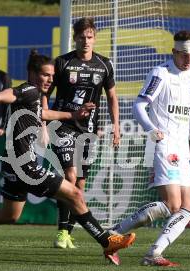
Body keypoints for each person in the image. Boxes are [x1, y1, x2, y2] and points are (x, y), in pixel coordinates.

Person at [0, 50, 135, 262]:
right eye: (45, 75)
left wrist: (73, 115)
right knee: (75, 194)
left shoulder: (33, 96)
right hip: (25, 166)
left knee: (9, 215)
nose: (50, 80)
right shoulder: (28, 89)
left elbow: (43, 113)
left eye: (52, 76)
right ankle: (107, 241)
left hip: (13, 164)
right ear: (32, 73)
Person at [108, 30, 190, 266]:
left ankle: (154, 253)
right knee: (172, 205)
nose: (188, 60)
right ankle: (114, 233)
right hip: (163, 145)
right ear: (174, 52)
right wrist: (151, 129)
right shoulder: (161, 73)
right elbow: (139, 105)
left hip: (182, 149)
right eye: (183, 55)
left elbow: (189, 114)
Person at [43, 17, 120, 250]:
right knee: (71, 177)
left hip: (88, 131)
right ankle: (61, 233)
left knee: (80, 186)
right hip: (63, 126)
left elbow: (112, 97)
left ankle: (67, 231)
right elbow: (46, 90)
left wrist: (116, 126)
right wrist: (44, 117)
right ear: (74, 38)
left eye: (89, 37)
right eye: (81, 37)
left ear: (94, 38)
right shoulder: (63, 63)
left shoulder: (104, 64)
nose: (85, 41)